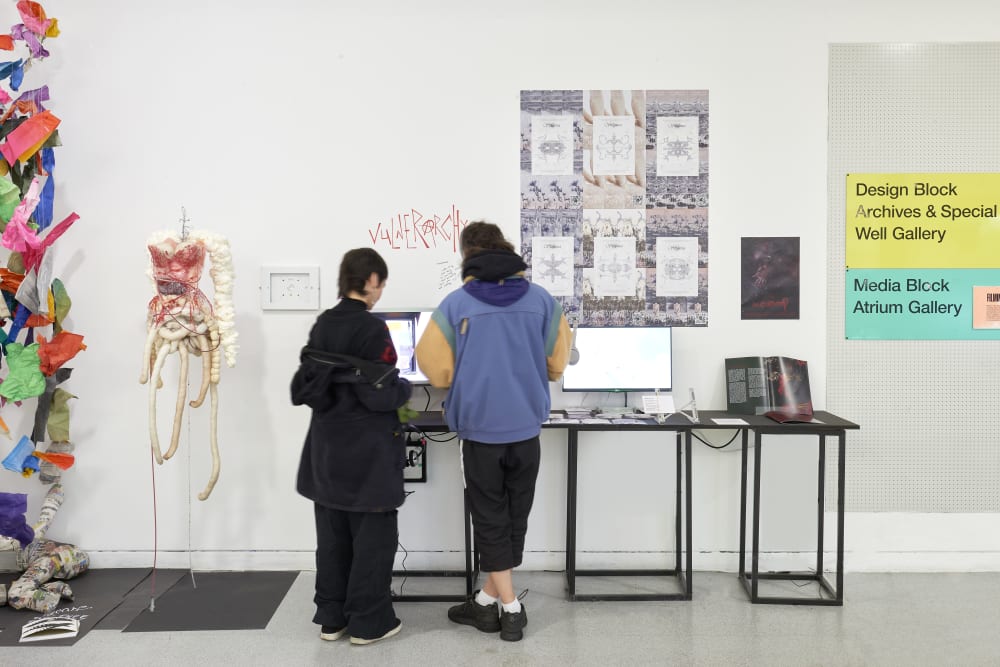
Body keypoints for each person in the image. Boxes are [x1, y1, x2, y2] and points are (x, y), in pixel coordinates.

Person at [416, 221, 571, 642]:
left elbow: (435, 368)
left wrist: (463, 374)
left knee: (488, 518)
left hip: (479, 432)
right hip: (526, 429)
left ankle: (509, 609)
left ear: (467, 255)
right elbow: (558, 363)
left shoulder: (455, 304)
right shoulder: (542, 300)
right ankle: (485, 603)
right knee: (514, 517)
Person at [290, 248, 412, 645]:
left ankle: (332, 618)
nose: (380, 292)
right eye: (381, 284)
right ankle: (368, 622)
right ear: (371, 280)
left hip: (326, 450)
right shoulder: (373, 329)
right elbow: (381, 394)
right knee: (372, 539)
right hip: (368, 453)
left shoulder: (323, 323)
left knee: (332, 538)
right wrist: (405, 388)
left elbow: (310, 385)